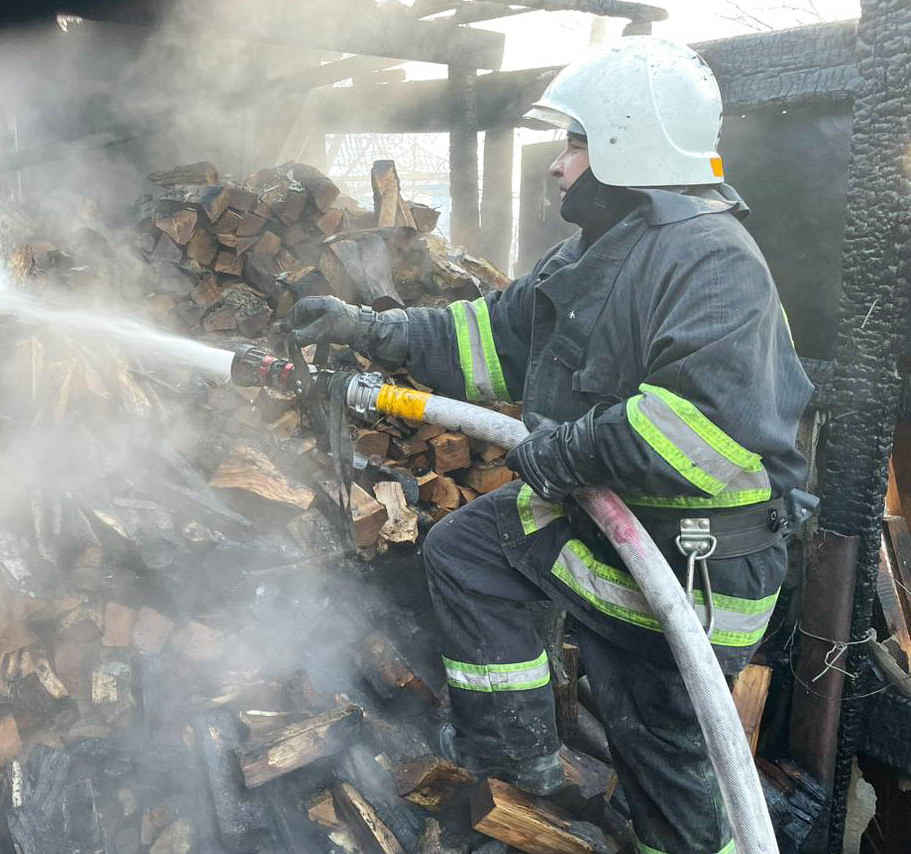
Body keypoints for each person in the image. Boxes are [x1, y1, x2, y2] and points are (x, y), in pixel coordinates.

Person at [283, 36, 812, 854]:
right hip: (607, 533)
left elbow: (699, 431)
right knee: (464, 548)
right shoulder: (604, 250)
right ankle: (522, 770)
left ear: (625, 146)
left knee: (660, 762)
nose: (558, 165)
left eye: (574, 143)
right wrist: (367, 328)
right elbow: (493, 335)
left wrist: (559, 455)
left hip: (686, 573)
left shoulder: (710, 263)